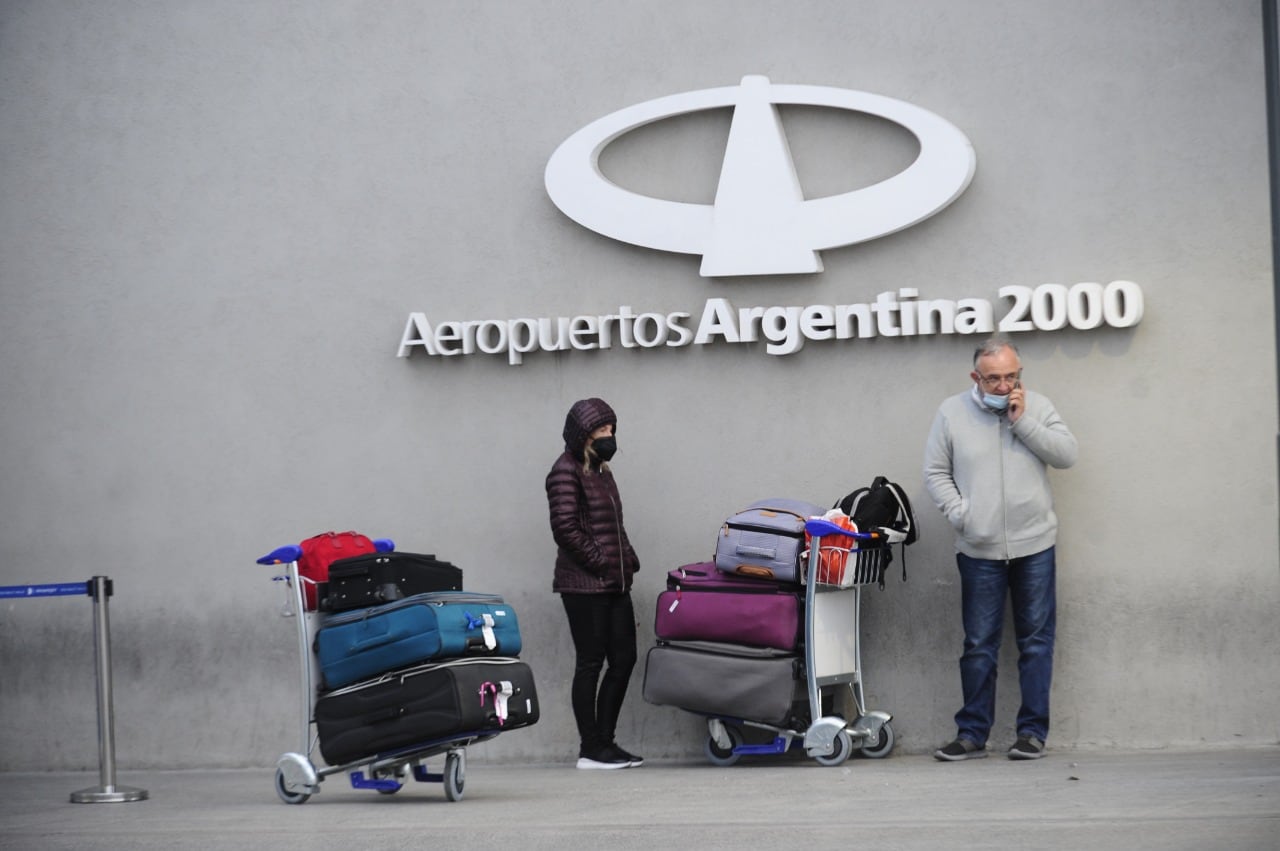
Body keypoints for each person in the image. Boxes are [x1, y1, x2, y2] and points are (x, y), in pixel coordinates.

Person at [923, 337, 1078, 761]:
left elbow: (1067, 455)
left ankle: (1031, 734)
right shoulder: (951, 412)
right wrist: (962, 514)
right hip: (979, 549)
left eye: (1012, 375)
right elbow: (935, 471)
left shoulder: (1038, 406)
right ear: (976, 377)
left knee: (1036, 643)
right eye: (994, 378)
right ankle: (971, 734)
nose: (1004, 384)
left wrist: (1023, 421)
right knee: (978, 645)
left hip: (1035, 545)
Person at [546, 398, 644, 770]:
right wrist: (603, 564)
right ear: (583, 434)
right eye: (602, 431)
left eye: (612, 430)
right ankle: (591, 747)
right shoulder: (564, 472)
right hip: (584, 586)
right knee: (590, 662)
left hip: (615, 582)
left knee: (624, 659)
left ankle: (606, 743)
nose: (609, 437)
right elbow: (565, 528)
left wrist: (628, 559)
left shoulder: (602, 471)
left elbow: (614, 526)